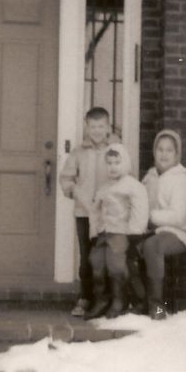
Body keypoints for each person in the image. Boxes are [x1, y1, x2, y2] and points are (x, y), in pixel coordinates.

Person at [59, 107, 120, 317]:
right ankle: (86, 297)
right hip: (84, 213)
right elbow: (66, 179)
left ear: (108, 127)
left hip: (109, 214)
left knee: (105, 255)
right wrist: (75, 191)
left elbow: (124, 174)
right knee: (87, 256)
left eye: (101, 126)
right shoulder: (78, 152)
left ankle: (107, 299)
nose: (96, 131)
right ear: (86, 127)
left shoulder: (116, 150)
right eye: (92, 126)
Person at [85, 144, 149, 320]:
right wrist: (94, 231)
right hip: (104, 232)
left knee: (116, 266)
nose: (112, 167)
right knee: (96, 262)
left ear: (125, 163)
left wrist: (135, 234)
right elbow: (95, 210)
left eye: (117, 163)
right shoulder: (103, 187)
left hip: (121, 233)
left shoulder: (132, 186)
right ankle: (101, 300)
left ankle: (119, 301)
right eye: (109, 163)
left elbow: (140, 209)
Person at [140, 129, 186, 320]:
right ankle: (139, 302)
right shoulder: (149, 178)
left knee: (152, 246)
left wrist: (149, 216)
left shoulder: (181, 179)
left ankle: (157, 308)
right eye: (160, 149)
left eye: (169, 150)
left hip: (179, 233)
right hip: (153, 230)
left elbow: (178, 216)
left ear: (177, 154)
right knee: (126, 246)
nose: (164, 154)